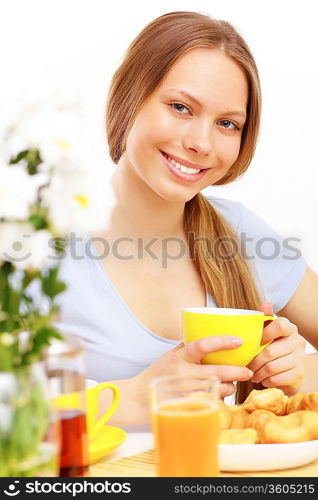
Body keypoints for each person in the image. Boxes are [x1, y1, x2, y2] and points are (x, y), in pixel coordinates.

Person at [56, 11, 318, 426]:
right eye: (180, 107)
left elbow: (303, 375)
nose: (200, 142)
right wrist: (135, 398)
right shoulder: (37, 243)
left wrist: (299, 372)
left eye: (227, 124)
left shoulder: (241, 234)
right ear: (130, 97)